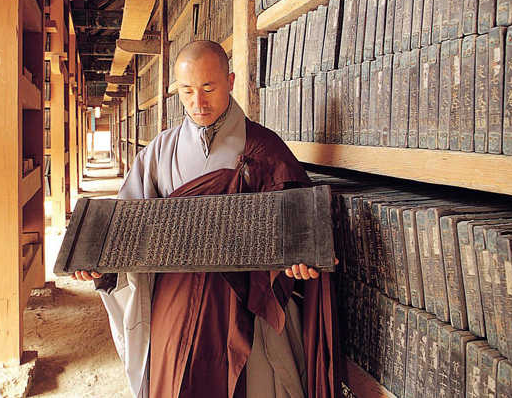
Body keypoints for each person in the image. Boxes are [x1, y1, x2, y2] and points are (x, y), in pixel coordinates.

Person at [73, 40, 342, 398]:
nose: (198, 103)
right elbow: (125, 225)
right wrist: (101, 264)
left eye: (209, 88)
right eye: (187, 91)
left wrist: (299, 266)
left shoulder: (265, 149)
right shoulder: (159, 152)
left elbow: (298, 231)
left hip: (245, 302)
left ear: (230, 82)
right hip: (175, 298)